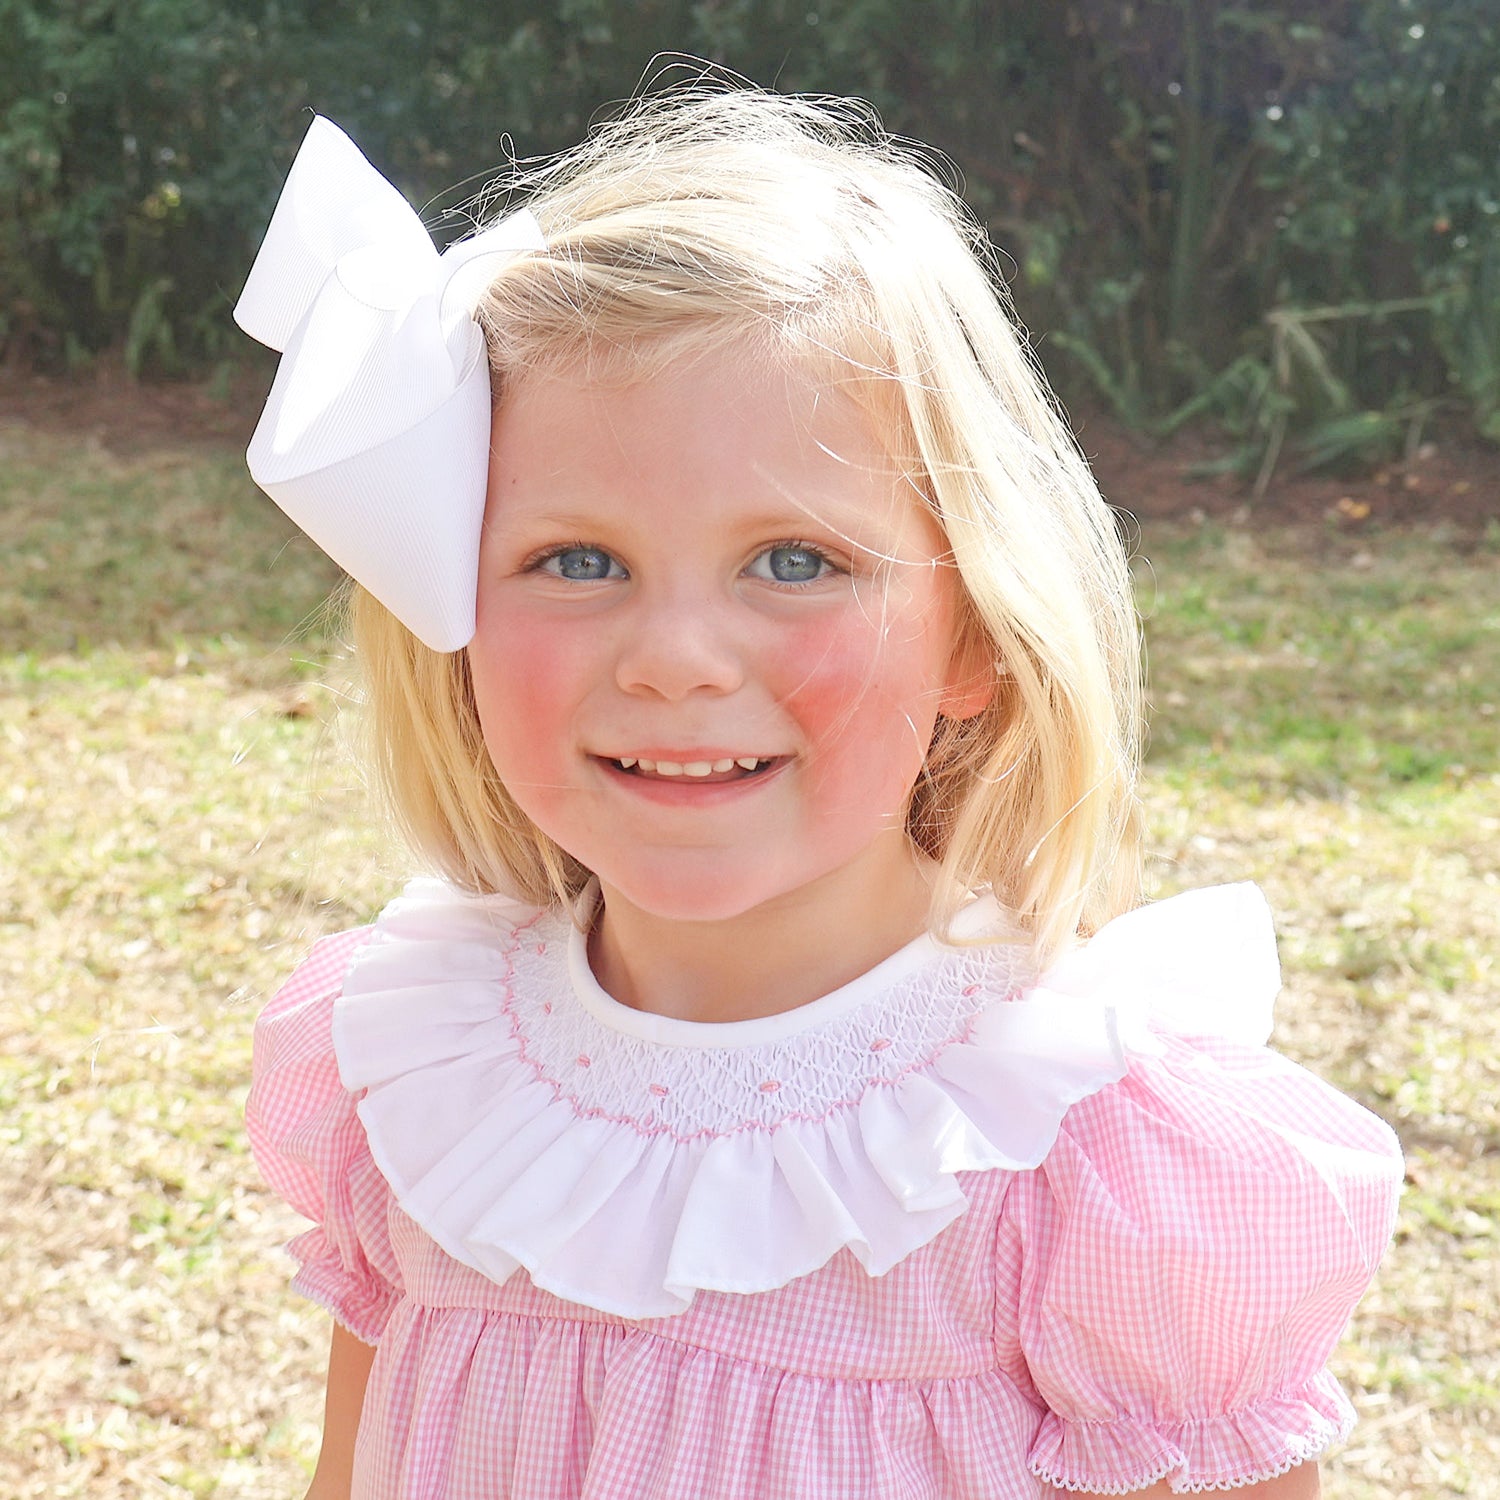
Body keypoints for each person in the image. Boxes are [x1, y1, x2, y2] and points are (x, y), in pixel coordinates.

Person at [236, 86, 1402, 1500]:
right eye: (577, 561)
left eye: (795, 562)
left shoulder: (1080, 1163)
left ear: (973, 634)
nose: (674, 658)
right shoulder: (422, 1078)